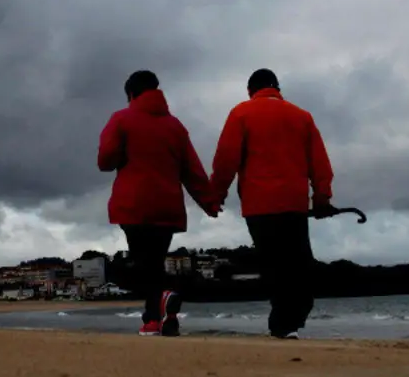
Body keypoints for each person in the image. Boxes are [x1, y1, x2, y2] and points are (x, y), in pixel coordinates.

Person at [208, 68, 336, 340]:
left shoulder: (241, 113)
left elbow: (226, 159)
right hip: (294, 202)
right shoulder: (302, 116)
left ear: (250, 91)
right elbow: (319, 161)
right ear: (277, 88)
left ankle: (282, 323)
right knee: (297, 263)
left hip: (258, 204)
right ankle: (291, 320)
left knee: (273, 264)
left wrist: (216, 194)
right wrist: (322, 196)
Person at [98, 70, 218, 337]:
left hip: (134, 203)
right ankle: (156, 318)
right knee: (154, 261)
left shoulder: (121, 119)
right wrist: (209, 202)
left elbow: (105, 161)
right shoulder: (176, 127)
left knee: (143, 263)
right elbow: (192, 170)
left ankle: (160, 304)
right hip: (167, 205)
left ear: (131, 94)